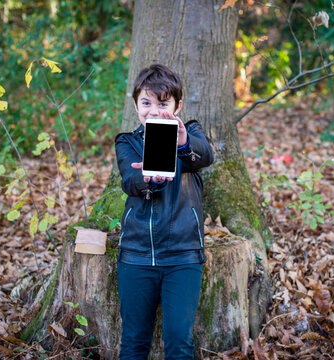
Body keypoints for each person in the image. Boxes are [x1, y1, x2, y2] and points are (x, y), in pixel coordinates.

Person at [114, 63, 214, 359]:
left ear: (177, 105)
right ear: (135, 105)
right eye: (146, 103)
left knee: (178, 343)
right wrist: (147, 178)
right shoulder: (127, 141)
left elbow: (203, 156)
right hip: (136, 254)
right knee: (133, 342)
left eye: (163, 103)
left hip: (183, 255)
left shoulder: (191, 132)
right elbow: (129, 180)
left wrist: (182, 141)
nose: (154, 110)